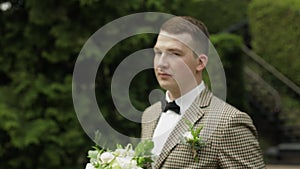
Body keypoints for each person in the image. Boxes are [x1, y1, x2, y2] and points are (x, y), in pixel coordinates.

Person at [141, 16, 266, 168]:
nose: (161, 63)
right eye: (158, 52)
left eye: (174, 54)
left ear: (200, 63)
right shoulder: (150, 114)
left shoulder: (229, 122)